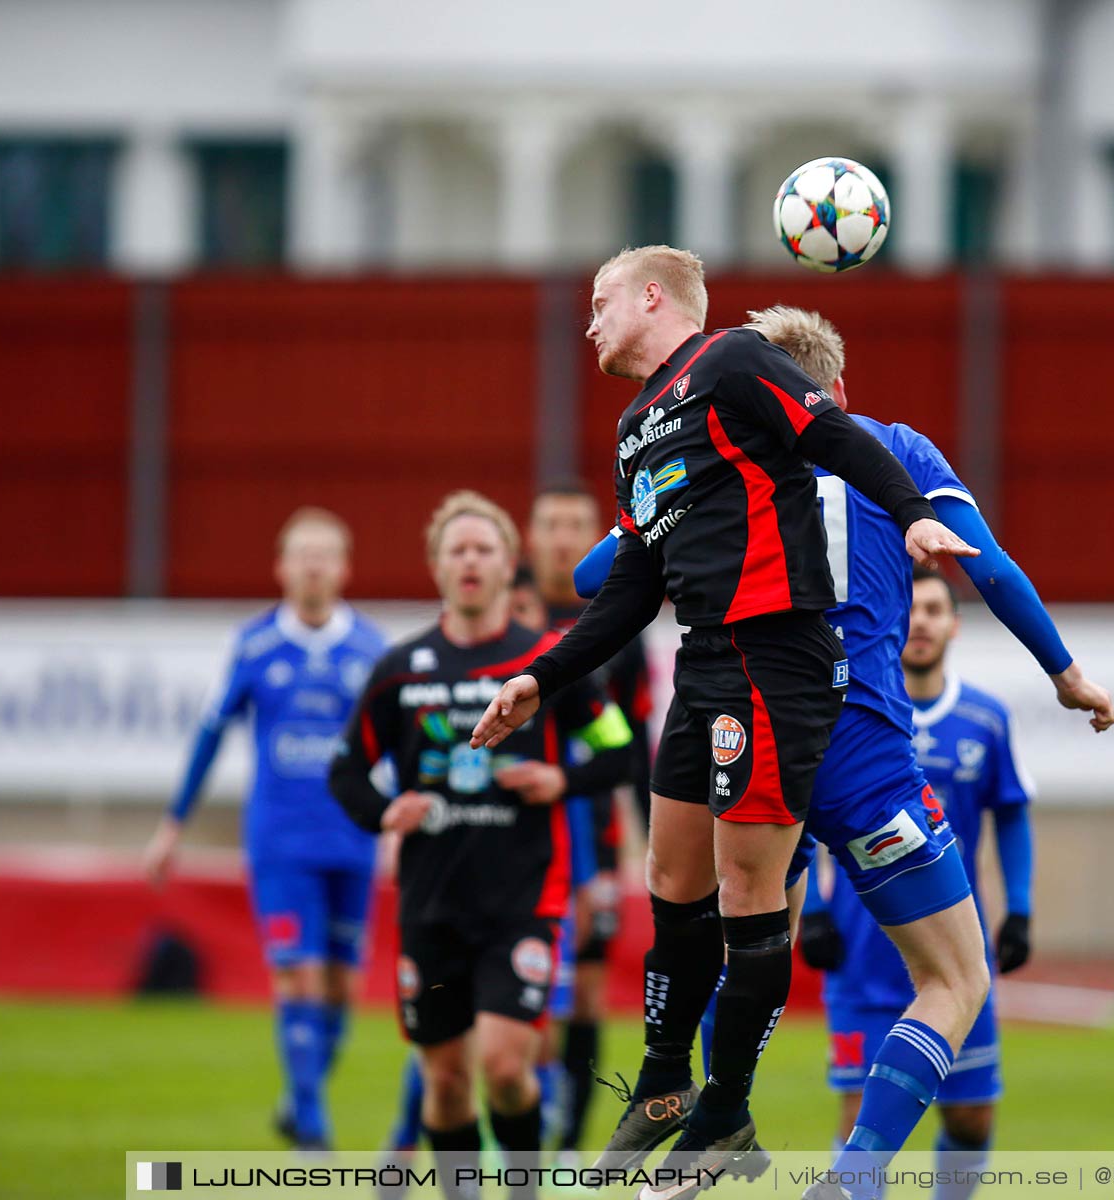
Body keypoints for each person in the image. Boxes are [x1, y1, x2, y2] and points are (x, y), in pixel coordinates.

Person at [573, 307, 1114, 1200]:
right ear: (836, 391)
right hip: (860, 743)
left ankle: (699, 1141)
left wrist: (671, 526)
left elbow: (599, 580)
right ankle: (855, 1179)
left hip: (745, 727)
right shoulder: (894, 446)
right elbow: (993, 568)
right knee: (954, 975)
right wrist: (1065, 674)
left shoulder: (705, 444)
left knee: (743, 938)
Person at [470, 245, 977, 1191]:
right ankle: (666, 1082)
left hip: (775, 661)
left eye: (601, 301)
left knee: (751, 897)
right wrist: (540, 677)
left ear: (654, 296)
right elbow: (629, 590)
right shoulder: (634, 429)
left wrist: (910, 513)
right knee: (670, 874)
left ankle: (723, 1110)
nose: (589, 322)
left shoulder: (737, 363)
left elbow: (836, 437)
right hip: (701, 662)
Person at [329, 491, 634, 1200]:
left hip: (522, 901)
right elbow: (345, 769)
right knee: (443, 1080)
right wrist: (385, 811)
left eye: (483, 549)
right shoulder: (401, 671)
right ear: (436, 567)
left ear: (508, 565)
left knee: (503, 1066)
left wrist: (561, 777)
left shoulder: (547, 664)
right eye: (456, 550)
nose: (469, 561)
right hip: (430, 907)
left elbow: (619, 752)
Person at [143, 507, 387, 1152]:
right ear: (281, 566)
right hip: (280, 840)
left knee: (343, 985)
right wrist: (173, 826)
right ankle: (313, 1127)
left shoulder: (370, 648)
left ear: (344, 568)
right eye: (301, 554)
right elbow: (208, 735)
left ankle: (297, 1097)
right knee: (296, 975)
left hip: (351, 840)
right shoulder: (254, 646)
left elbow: (395, 743)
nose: (312, 565)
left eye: (324, 554)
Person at [800, 565, 1036, 1200]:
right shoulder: (851, 715)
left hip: (952, 941)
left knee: (970, 1115)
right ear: (896, 620)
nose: (924, 621)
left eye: (937, 609)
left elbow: (1011, 812)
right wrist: (814, 908)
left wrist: (1020, 908)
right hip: (861, 950)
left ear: (955, 624)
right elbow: (802, 809)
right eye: (915, 609)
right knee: (858, 1123)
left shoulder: (985, 718)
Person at [526, 482, 656, 1163]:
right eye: (552, 524)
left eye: (578, 525)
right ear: (531, 536)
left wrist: (651, 835)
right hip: (513, 833)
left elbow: (634, 744)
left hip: (595, 836)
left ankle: (570, 1148)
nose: (564, 538)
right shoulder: (505, 621)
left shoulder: (621, 627)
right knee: (517, 988)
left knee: (584, 989)